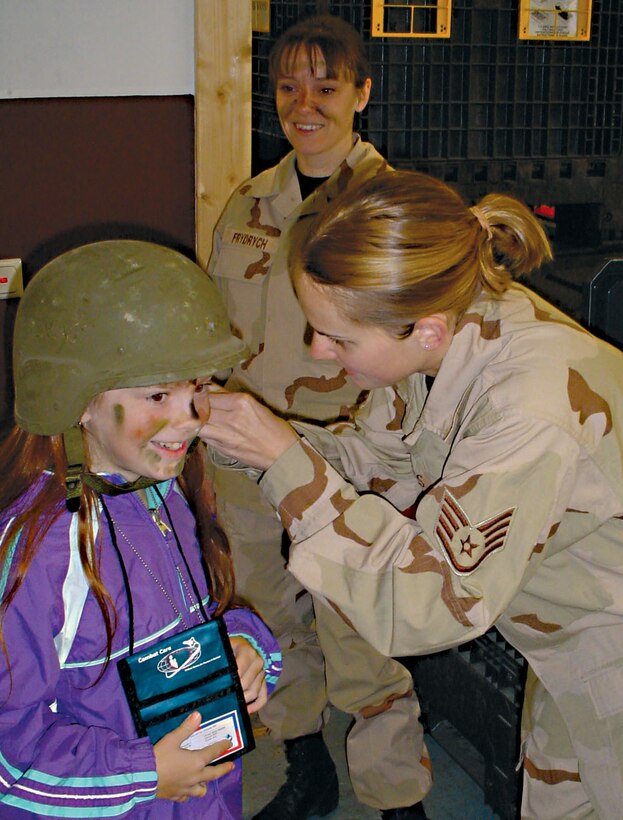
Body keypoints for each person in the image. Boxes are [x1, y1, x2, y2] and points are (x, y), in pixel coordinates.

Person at [201, 169, 623, 820]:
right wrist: (251, 440)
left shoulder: (527, 409)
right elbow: (382, 459)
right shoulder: (450, 338)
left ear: (423, 328)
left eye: (338, 338)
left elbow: (430, 602)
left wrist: (284, 463)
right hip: (572, 648)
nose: (318, 351)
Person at [207, 14, 431, 820]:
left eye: (326, 87)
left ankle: (396, 796)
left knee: (362, 632)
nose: (305, 105)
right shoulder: (247, 201)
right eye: (288, 87)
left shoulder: (388, 209)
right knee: (268, 620)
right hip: (244, 459)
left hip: (348, 461)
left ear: (361, 94)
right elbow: (214, 330)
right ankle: (305, 765)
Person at [0, 240, 282, 819]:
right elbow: (9, 754)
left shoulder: (162, 492)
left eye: (198, 386)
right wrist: (145, 773)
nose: (191, 417)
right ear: (76, 401)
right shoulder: (44, 553)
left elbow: (196, 624)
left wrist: (247, 646)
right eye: (158, 395)